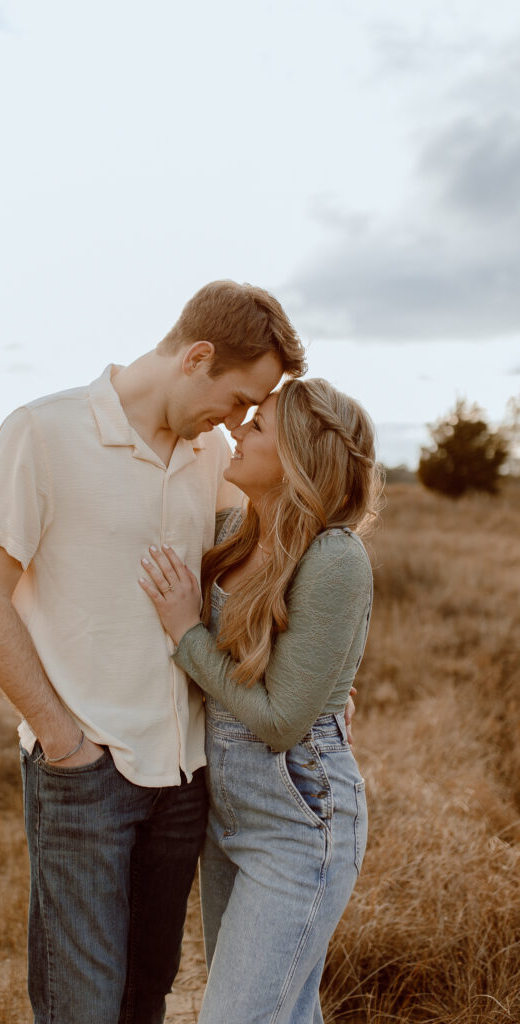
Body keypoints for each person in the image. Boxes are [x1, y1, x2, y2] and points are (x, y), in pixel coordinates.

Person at [0, 280, 308, 1024]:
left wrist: (316, 664)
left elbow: (253, 571)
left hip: (185, 773)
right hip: (83, 771)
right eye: (241, 399)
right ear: (198, 357)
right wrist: (62, 741)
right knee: (80, 1006)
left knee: (144, 994)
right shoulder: (41, 431)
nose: (240, 420)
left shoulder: (210, 452)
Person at [138, 377, 380, 1024]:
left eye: (256, 427)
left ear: (299, 453)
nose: (233, 431)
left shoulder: (334, 557)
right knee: (284, 1012)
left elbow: (278, 723)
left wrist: (187, 634)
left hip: (300, 812)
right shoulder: (232, 534)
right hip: (228, 813)